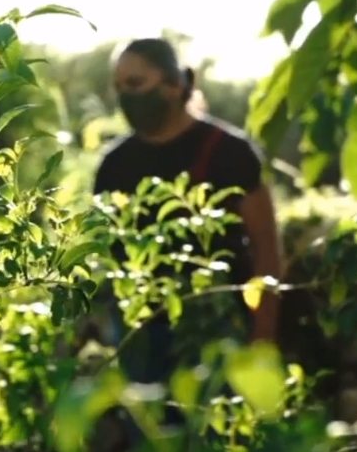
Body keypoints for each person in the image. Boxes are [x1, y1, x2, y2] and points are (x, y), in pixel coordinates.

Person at [92, 38, 283, 445]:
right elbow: (106, 256)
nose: (127, 95)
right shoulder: (114, 166)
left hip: (220, 331)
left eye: (137, 82)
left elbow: (267, 248)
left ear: (175, 85)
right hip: (142, 341)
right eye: (120, 86)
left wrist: (262, 336)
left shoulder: (231, 154)